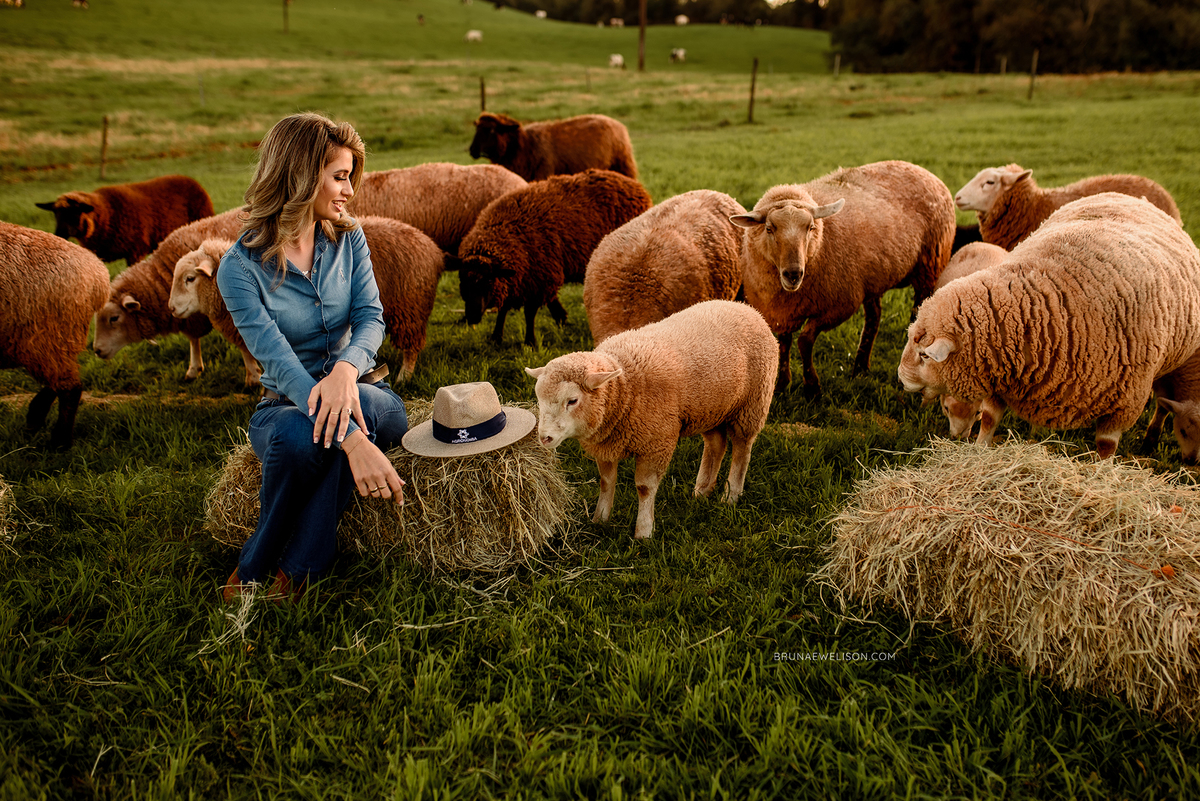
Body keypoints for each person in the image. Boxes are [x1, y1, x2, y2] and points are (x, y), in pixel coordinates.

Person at [216, 112, 408, 603]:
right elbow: (278, 364)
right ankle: (284, 565)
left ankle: (282, 565)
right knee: (301, 440)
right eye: (339, 176)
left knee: (384, 412)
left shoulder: (350, 237)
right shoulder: (238, 269)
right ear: (300, 175)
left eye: (350, 177)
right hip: (286, 401)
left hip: (362, 386)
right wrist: (353, 442)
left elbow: (371, 318)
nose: (349, 190)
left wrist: (346, 370)